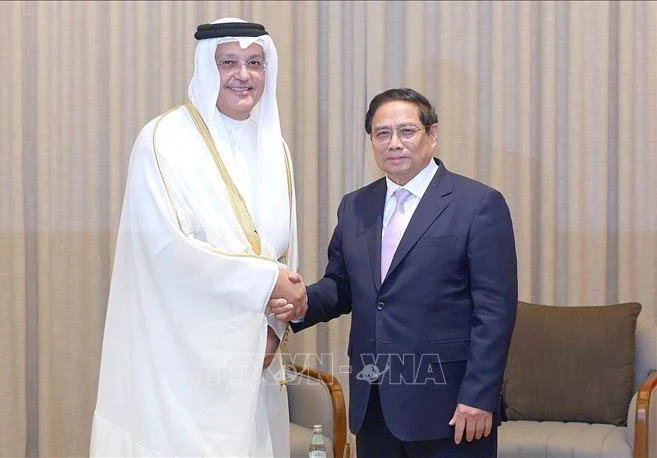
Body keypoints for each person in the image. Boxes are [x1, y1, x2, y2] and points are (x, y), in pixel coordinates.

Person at [90, 18, 306, 457]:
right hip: (179, 358)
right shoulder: (163, 140)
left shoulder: (274, 146)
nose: (243, 75)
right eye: (228, 62)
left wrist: (275, 324)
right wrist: (268, 286)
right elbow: (167, 251)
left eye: (254, 63)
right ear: (207, 68)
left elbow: (282, 249)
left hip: (254, 352)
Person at [272, 88, 517, 457]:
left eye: (407, 131)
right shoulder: (356, 206)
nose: (394, 143)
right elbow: (342, 286)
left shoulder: (478, 204)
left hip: (452, 409)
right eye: (382, 133)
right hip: (375, 406)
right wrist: (299, 303)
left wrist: (479, 396)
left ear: (432, 135)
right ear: (372, 141)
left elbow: (495, 312)